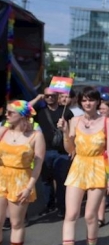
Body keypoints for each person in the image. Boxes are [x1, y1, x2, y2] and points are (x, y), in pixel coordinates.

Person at [53, 87, 109, 245]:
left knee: (90, 215)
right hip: (78, 166)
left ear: (98, 102)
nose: (87, 103)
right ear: (80, 102)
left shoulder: (107, 121)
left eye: (91, 100)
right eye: (84, 100)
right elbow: (69, 149)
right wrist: (66, 132)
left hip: (97, 167)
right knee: (71, 214)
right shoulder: (74, 120)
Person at [0, 100, 45, 245]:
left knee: (16, 223)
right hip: (1, 176)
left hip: (21, 180)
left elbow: (38, 164)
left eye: (11, 112)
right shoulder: (3, 131)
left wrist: (29, 187)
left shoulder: (36, 136)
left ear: (22, 115)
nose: (7, 114)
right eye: (7, 112)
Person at [34, 87, 73, 219]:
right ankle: (48, 205)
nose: (49, 98)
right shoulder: (40, 110)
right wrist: (37, 98)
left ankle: (62, 208)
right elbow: (24, 110)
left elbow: (73, 132)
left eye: (52, 96)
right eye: (46, 96)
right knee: (46, 181)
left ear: (57, 96)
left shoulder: (66, 112)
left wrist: (73, 148)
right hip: (44, 151)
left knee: (61, 181)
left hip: (62, 152)